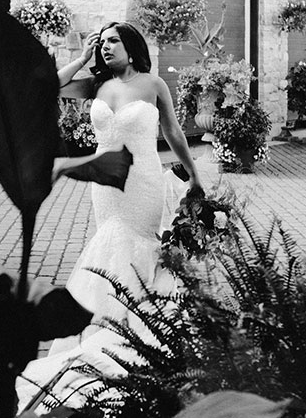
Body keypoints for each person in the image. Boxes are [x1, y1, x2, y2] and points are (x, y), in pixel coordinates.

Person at [17, 21, 204, 411]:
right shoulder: (93, 86)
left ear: (132, 46)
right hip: (104, 184)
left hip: (143, 181)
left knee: (137, 245)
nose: (105, 47)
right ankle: (98, 323)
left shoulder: (154, 85)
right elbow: (44, 86)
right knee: (108, 243)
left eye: (112, 41)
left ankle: (135, 329)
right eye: (100, 43)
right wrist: (81, 58)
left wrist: (195, 176)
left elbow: (173, 132)